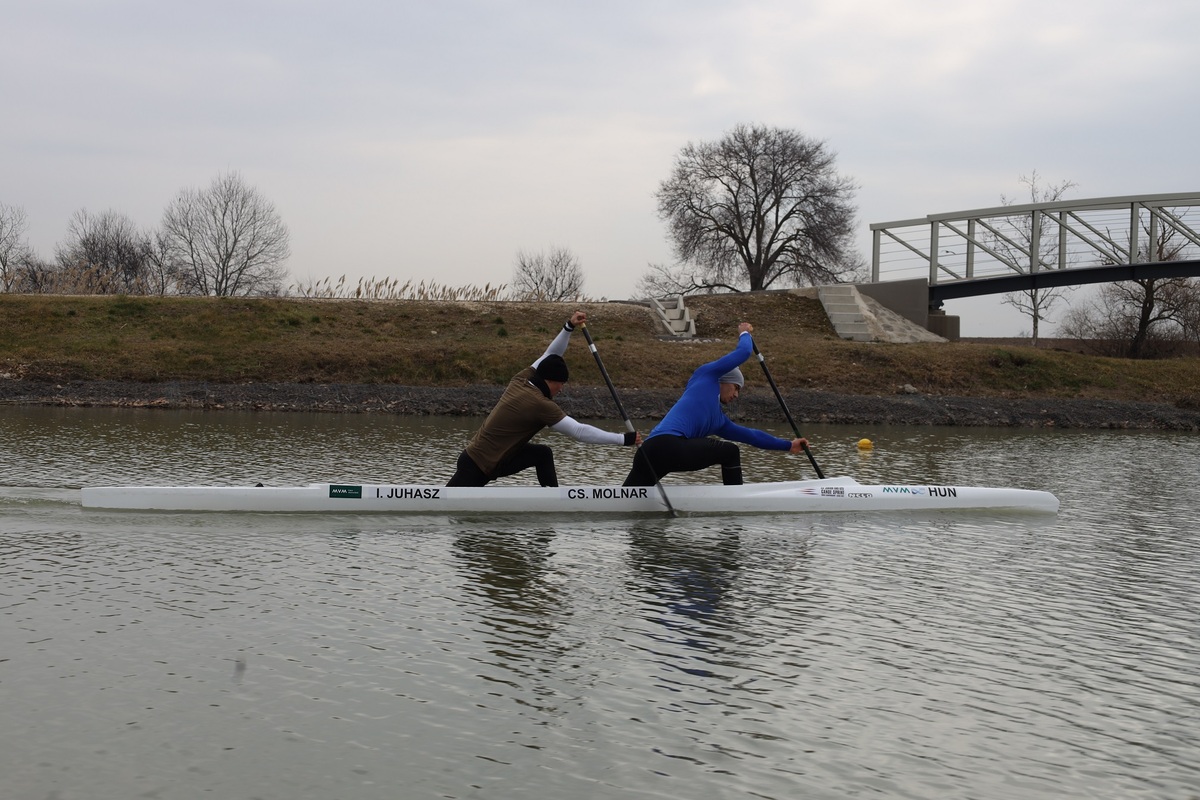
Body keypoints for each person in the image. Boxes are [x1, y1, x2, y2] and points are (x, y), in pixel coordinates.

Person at [447, 310, 640, 487]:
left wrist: (569, 327)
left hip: (494, 458)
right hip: (478, 465)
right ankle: (553, 500)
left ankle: (553, 499)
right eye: (561, 384)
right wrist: (623, 439)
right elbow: (579, 431)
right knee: (446, 506)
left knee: (542, 454)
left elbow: (551, 354)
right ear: (551, 381)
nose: (561, 390)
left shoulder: (522, 379)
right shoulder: (540, 404)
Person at [622, 322, 807, 487]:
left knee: (628, 499)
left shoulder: (719, 421)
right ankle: (735, 502)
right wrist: (744, 333)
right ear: (723, 380)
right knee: (730, 452)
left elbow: (752, 436)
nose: (736, 395)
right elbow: (744, 352)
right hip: (669, 446)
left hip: (647, 452)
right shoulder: (706, 376)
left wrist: (788, 445)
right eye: (736, 387)